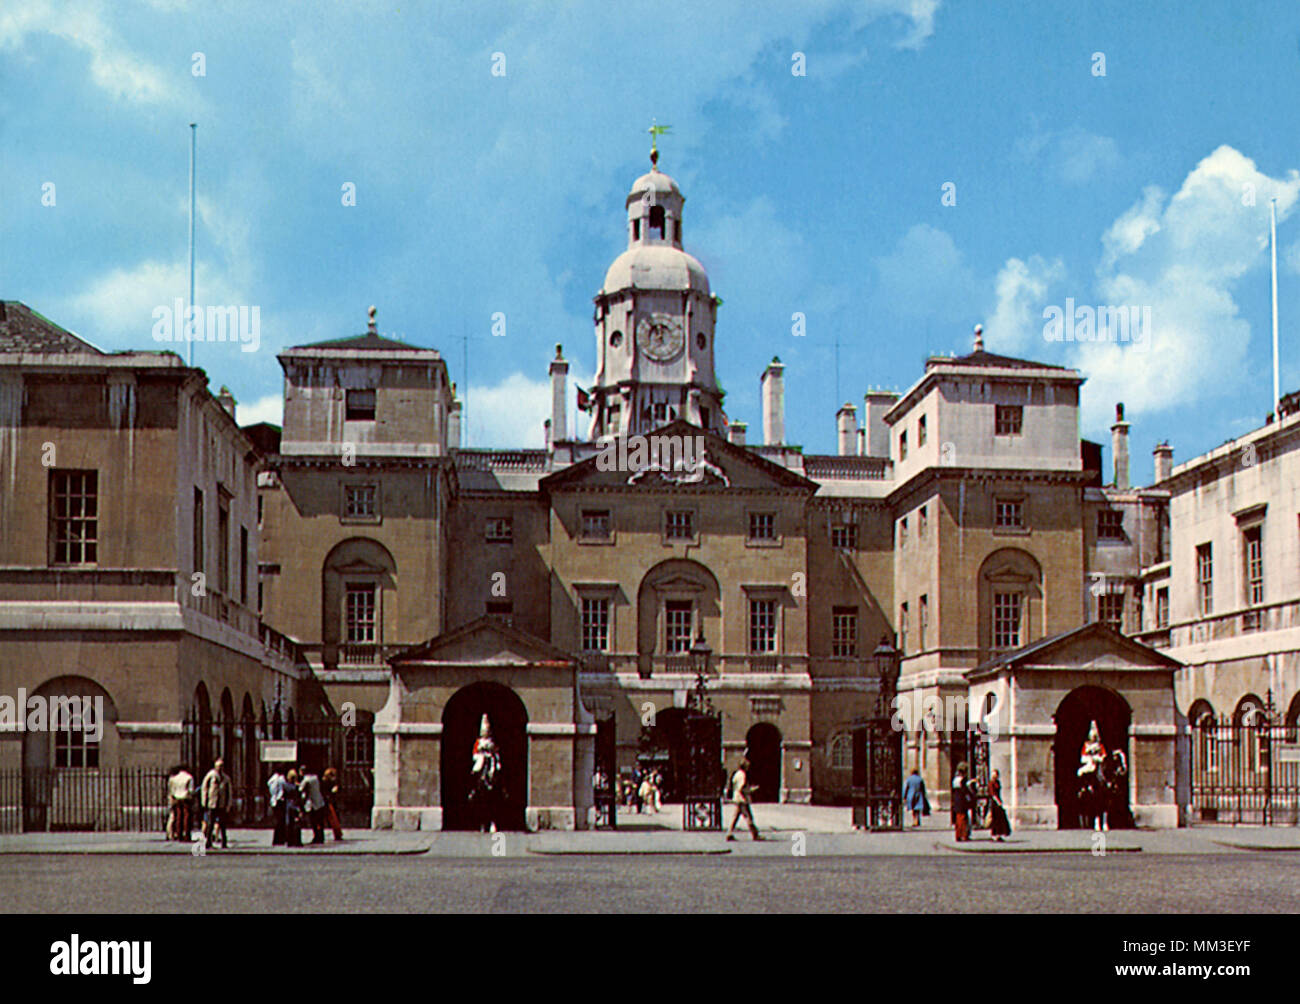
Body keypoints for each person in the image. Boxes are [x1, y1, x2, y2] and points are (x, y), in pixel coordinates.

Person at [726, 757, 762, 841]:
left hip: (737, 798)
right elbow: (742, 788)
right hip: (742, 799)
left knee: (735, 818)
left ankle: (729, 833)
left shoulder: (737, 773)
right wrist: (751, 790)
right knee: (748, 817)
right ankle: (755, 834)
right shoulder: (742, 775)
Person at [200, 757, 232, 849]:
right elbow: (204, 789)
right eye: (218, 766)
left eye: (222, 766)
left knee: (223, 824)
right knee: (210, 824)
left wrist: (228, 804)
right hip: (212, 803)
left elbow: (229, 792)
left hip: (222, 804)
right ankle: (208, 842)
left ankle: (224, 842)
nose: (220, 768)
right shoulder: (210, 775)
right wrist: (204, 801)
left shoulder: (226, 778)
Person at [300, 764, 327, 844]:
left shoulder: (306, 779)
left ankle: (316, 837)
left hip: (312, 804)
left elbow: (301, 789)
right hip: (319, 801)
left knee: (314, 822)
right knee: (319, 821)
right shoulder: (315, 778)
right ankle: (321, 837)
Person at [167, 764, 194, 841]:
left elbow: (171, 789)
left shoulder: (174, 778)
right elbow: (191, 790)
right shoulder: (189, 777)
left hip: (177, 797)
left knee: (178, 817)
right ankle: (187, 834)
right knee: (186, 817)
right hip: (185, 798)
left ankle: (179, 834)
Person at [988, 768, 1011, 841]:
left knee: (1000, 819)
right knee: (995, 819)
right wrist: (998, 802)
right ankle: (995, 835)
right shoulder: (991, 783)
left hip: (998, 802)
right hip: (995, 803)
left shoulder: (997, 782)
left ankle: (999, 834)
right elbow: (993, 794)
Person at [322, 766, 344, 840]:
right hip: (329, 801)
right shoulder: (326, 782)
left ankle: (338, 833)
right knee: (333, 818)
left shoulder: (332, 782)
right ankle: (337, 833)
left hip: (331, 801)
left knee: (334, 818)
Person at [282, 769, 303, 847]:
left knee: (289, 824)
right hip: (295, 805)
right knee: (296, 823)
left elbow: (284, 796)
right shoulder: (297, 786)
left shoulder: (286, 786)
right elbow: (299, 797)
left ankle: (289, 841)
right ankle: (297, 841)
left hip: (288, 805)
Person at [267, 765, 287, 846]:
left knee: (278, 821)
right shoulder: (280, 778)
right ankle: (279, 839)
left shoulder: (273, 779)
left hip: (274, 800)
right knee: (280, 821)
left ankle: (278, 839)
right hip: (279, 800)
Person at [951, 762, 971, 842]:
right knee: (963, 819)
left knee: (958, 819)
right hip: (962, 801)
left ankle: (958, 835)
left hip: (956, 801)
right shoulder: (963, 780)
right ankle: (964, 835)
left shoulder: (955, 779)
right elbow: (965, 791)